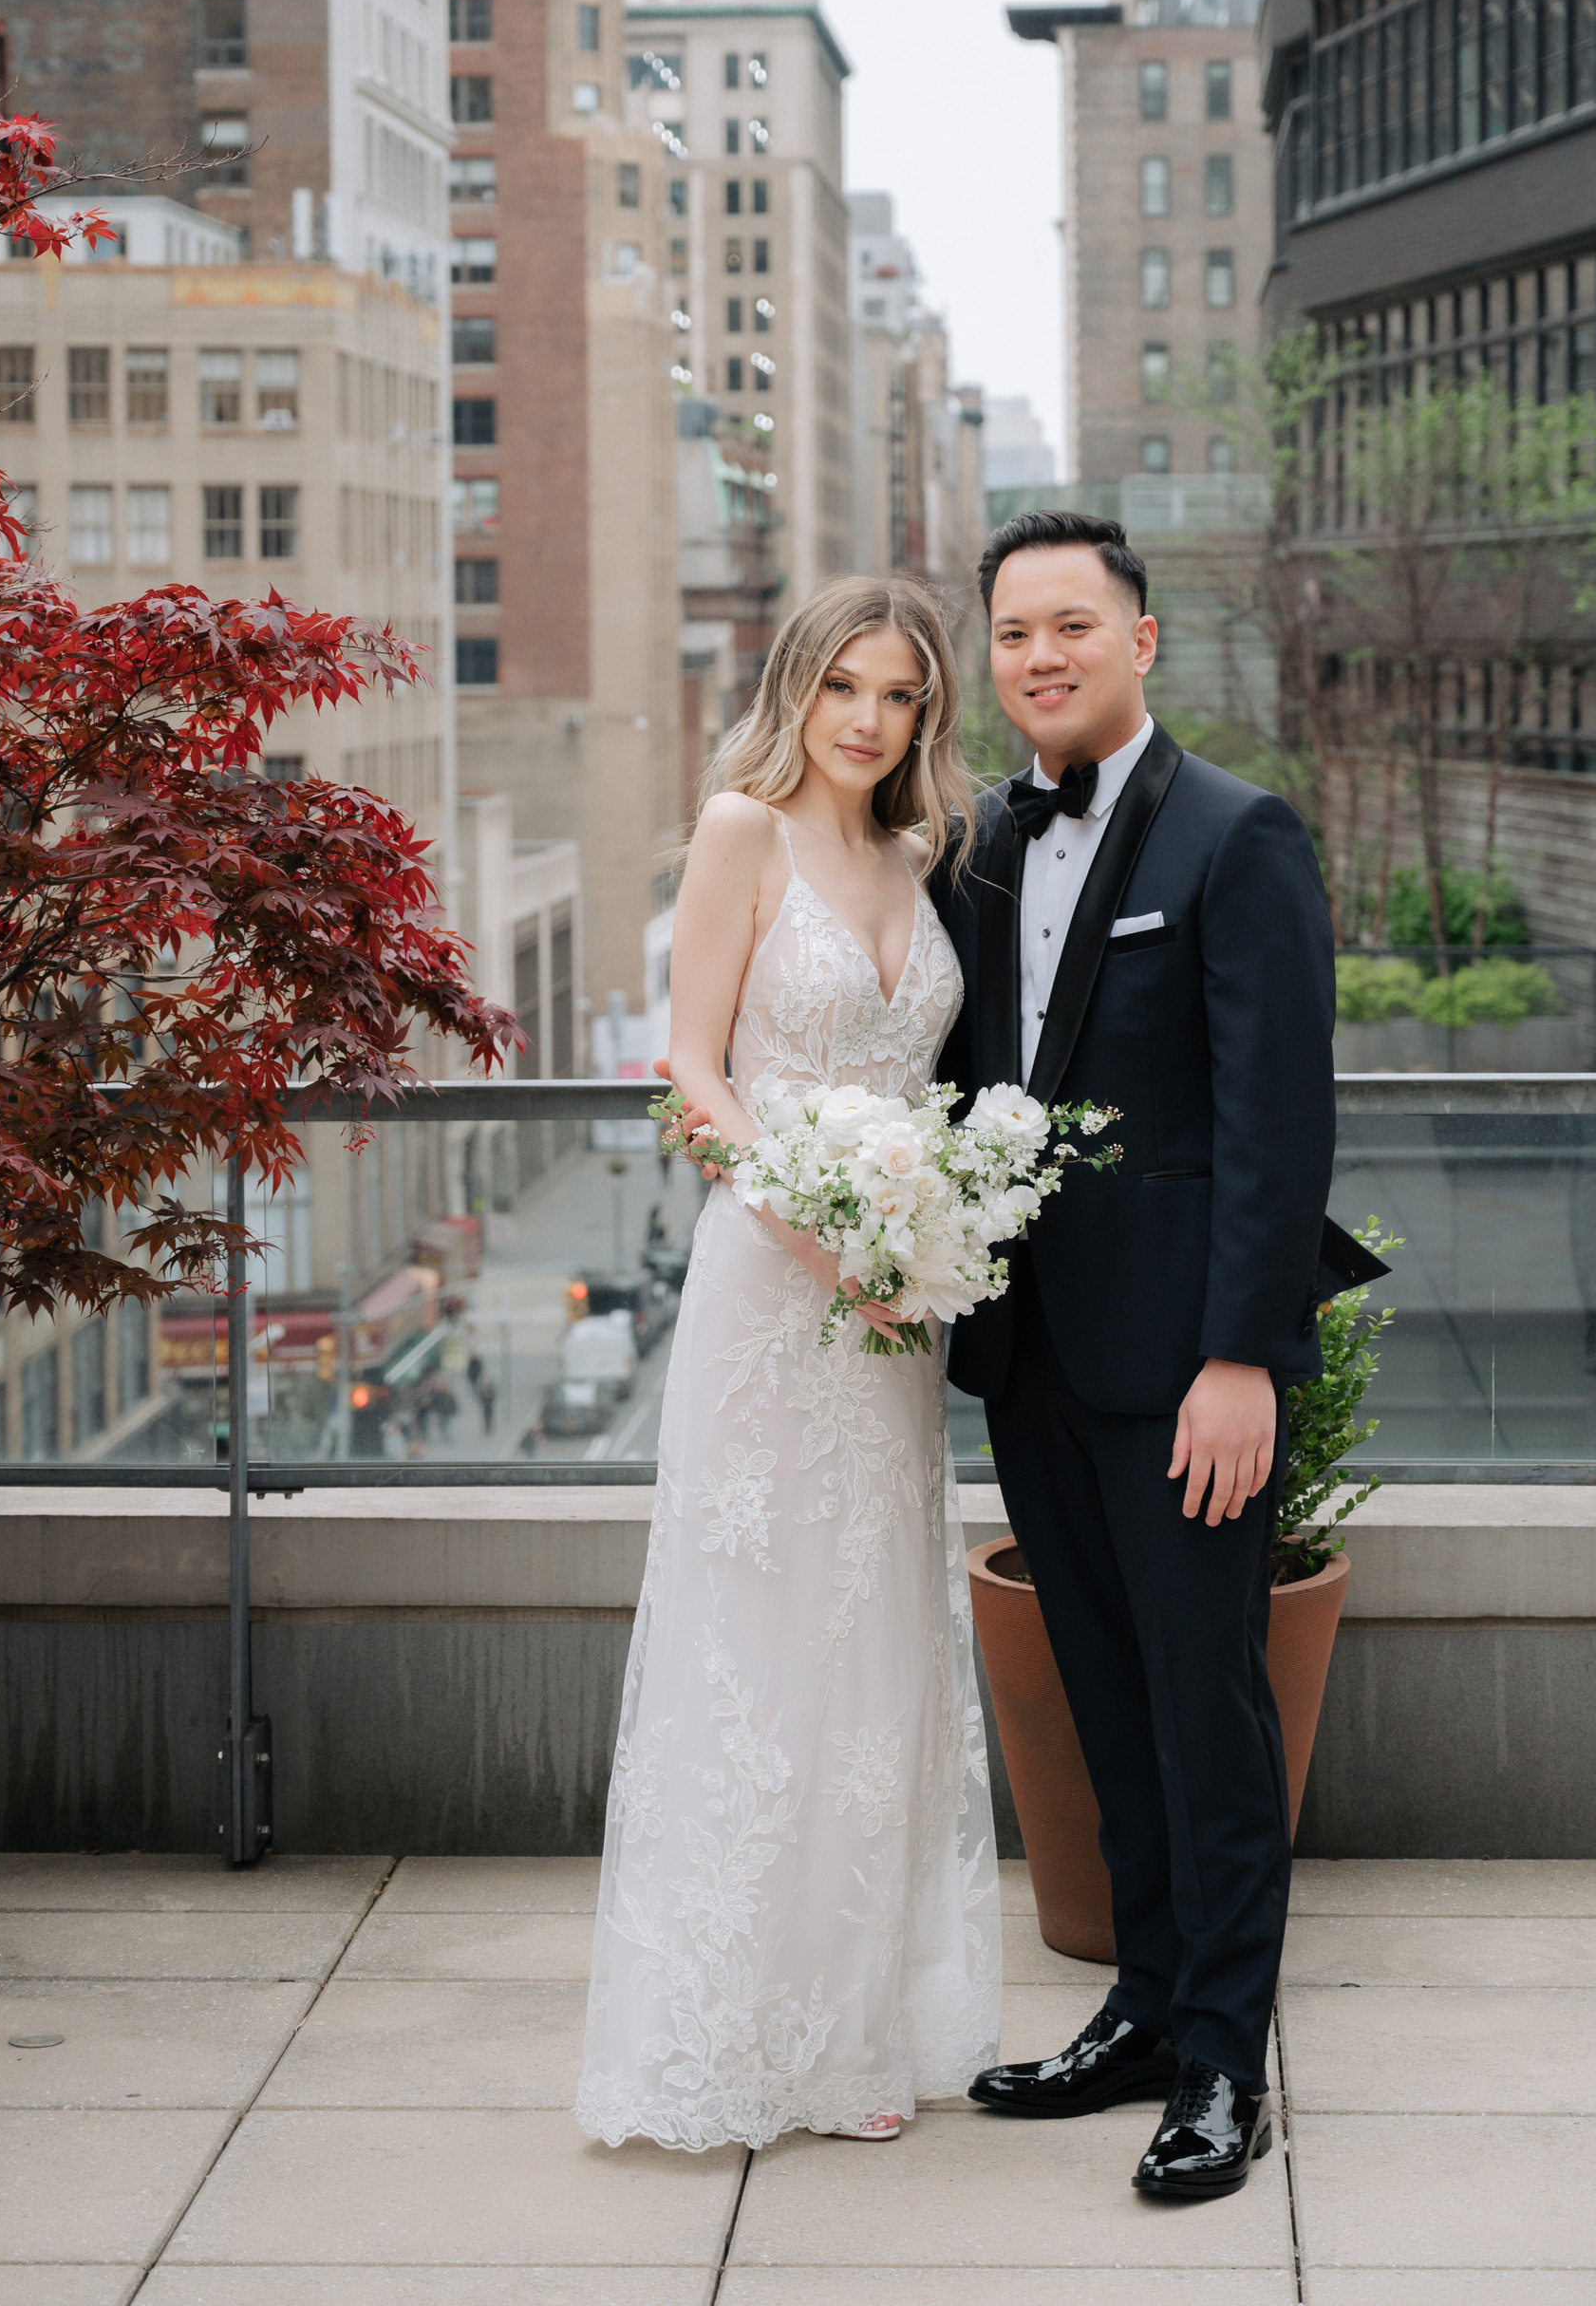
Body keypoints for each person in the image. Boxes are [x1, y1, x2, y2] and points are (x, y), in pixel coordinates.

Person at [931, 510, 1336, 2204]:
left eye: (1074, 625)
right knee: (1106, 1699)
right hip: (1027, 1350)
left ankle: (1230, 2063)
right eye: (1017, 630)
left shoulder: (1240, 837)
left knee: (1208, 1707)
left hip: (1184, 1372)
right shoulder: (975, 848)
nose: (1044, 654)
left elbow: (1278, 1119)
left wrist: (1241, 1358)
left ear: (1142, 641)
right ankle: (1149, 2006)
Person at [575, 578, 1001, 2154]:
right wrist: (826, 1230)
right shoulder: (738, 830)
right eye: (846, 688)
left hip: (892, 1317)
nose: (870, 721)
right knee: (752, 1655)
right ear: (797, 689)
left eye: (900, 696)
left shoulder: (919, 854)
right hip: (774, 1292)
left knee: (877, 1647)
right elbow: (690, 1074)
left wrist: (922, 1237)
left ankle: (855, 2031)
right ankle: (722, 2040)